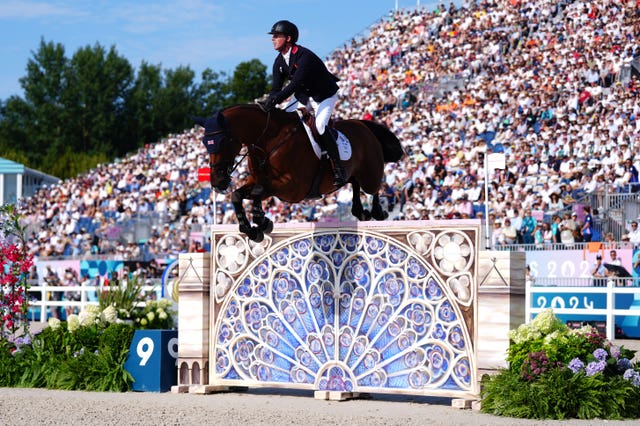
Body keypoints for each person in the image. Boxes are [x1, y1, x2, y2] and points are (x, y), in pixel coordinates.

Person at [264, 20, 346, 187]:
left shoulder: (304, 56)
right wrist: (269, 102)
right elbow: (276, 88)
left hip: (323, 96)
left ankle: (338, 168)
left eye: (277, 36)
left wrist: (276, 99)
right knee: (288, 121)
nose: (273, 39)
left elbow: (295, 84)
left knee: (321, 126)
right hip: (304, 97)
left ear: (288, 38)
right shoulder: (279, 61)